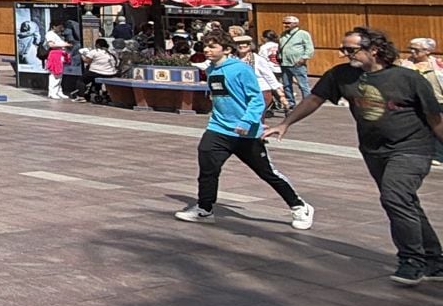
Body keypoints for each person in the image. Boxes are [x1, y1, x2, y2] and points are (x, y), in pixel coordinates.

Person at [268, 27, 443, 286]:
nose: (344, 54)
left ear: (374, 50)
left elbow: (434, 119)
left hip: (411, 148)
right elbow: (314, 99)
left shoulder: (408, 78)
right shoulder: (343, 75)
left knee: (395, 197)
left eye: (351, 50)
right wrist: (286, 123)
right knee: (405, 202)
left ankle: (411, 261)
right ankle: (435, 262)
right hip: (373, 150)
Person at [174, 32, 313, 227]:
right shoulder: (212, 70)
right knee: (208, 169)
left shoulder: (241, 69)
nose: (207, 50)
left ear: (227, 49)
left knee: (267, 172)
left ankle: (299, 206)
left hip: (245, 133)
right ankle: (204, 209)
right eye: (205, 46)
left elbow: (256, 99)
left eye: (213, 46)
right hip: (218, 129)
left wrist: (247, 122)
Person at [402, 37, 443, 168]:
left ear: (427, 51)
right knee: (419, 128)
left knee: (438, 128)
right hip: (415, 102)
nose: (412, 52)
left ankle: (439, 155)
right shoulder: (404, 65)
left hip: (438, 100)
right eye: (410, 49)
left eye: (416, 49)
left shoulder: (438, 64)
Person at [276, 16, 315, 108]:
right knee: (286, 84)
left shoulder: (303, 34)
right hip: (284, 63)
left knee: (302, 84)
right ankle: (290, 102)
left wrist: (304, 58)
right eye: (284, 23)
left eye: (288, 23)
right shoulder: (283, 34)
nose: (286, 25)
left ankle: (307, 103)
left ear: (295, 24)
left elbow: (309, 48)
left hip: (297, 63)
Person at [80, 36, 121, 104]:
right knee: (94, 78)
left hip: (97, 72)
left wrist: (82, 55)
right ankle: (96, 92)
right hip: (111, 73)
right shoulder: (112, 52)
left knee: (81, 80)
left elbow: (87, 61)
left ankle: (81, 96)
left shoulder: (95, 51)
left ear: (97, 45)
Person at [44, 23, 70, 100]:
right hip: (55, 55)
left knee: (59, 74)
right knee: (55, 74)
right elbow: (51, 45)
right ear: (54, 26)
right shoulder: (50, 34)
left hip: (60, 54)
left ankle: (58, 91)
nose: (61, 29)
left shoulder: (57, 34)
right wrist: (64, 44)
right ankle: (52, 92)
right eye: (59, 27)